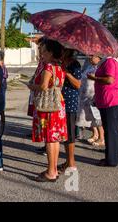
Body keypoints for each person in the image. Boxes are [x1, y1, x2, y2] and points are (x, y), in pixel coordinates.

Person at [28, 39, 67, 182]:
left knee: (50, 139)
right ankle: (54, 169)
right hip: (57, 105)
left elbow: (43, 86)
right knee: (54, 139)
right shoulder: (60, 66)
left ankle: (51, 172)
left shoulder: (49, 67)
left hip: (47, 107)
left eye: (44, 51)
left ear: (50, 52)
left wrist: (32, 86)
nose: (41, 53)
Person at [88, 56, 118, 167]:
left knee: (111, 131)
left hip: (110, 100)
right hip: (107, 100)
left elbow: (109, 80)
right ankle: (113, 157)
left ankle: (111, 160)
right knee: (112, 130)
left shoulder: (109, 62)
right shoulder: (106, 62)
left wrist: (94, 78)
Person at [58, 49, 82, 173]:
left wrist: (66, 73)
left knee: (70, 134)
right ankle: (68, 161)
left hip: (70, 102)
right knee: (65, 134)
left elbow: (78, 84)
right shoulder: (62, 62)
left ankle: (71, 163)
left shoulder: (74, 64)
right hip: (60, 101)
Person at [76, 55, 104, 147]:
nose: (90, 58)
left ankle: (101, 138)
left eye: (93, 56)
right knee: (90, 117)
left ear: (99, 58)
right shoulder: (89, 66)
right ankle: (95, 134)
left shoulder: (100, 68)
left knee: (97, 118)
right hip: (85, 95)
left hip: (93, 96)